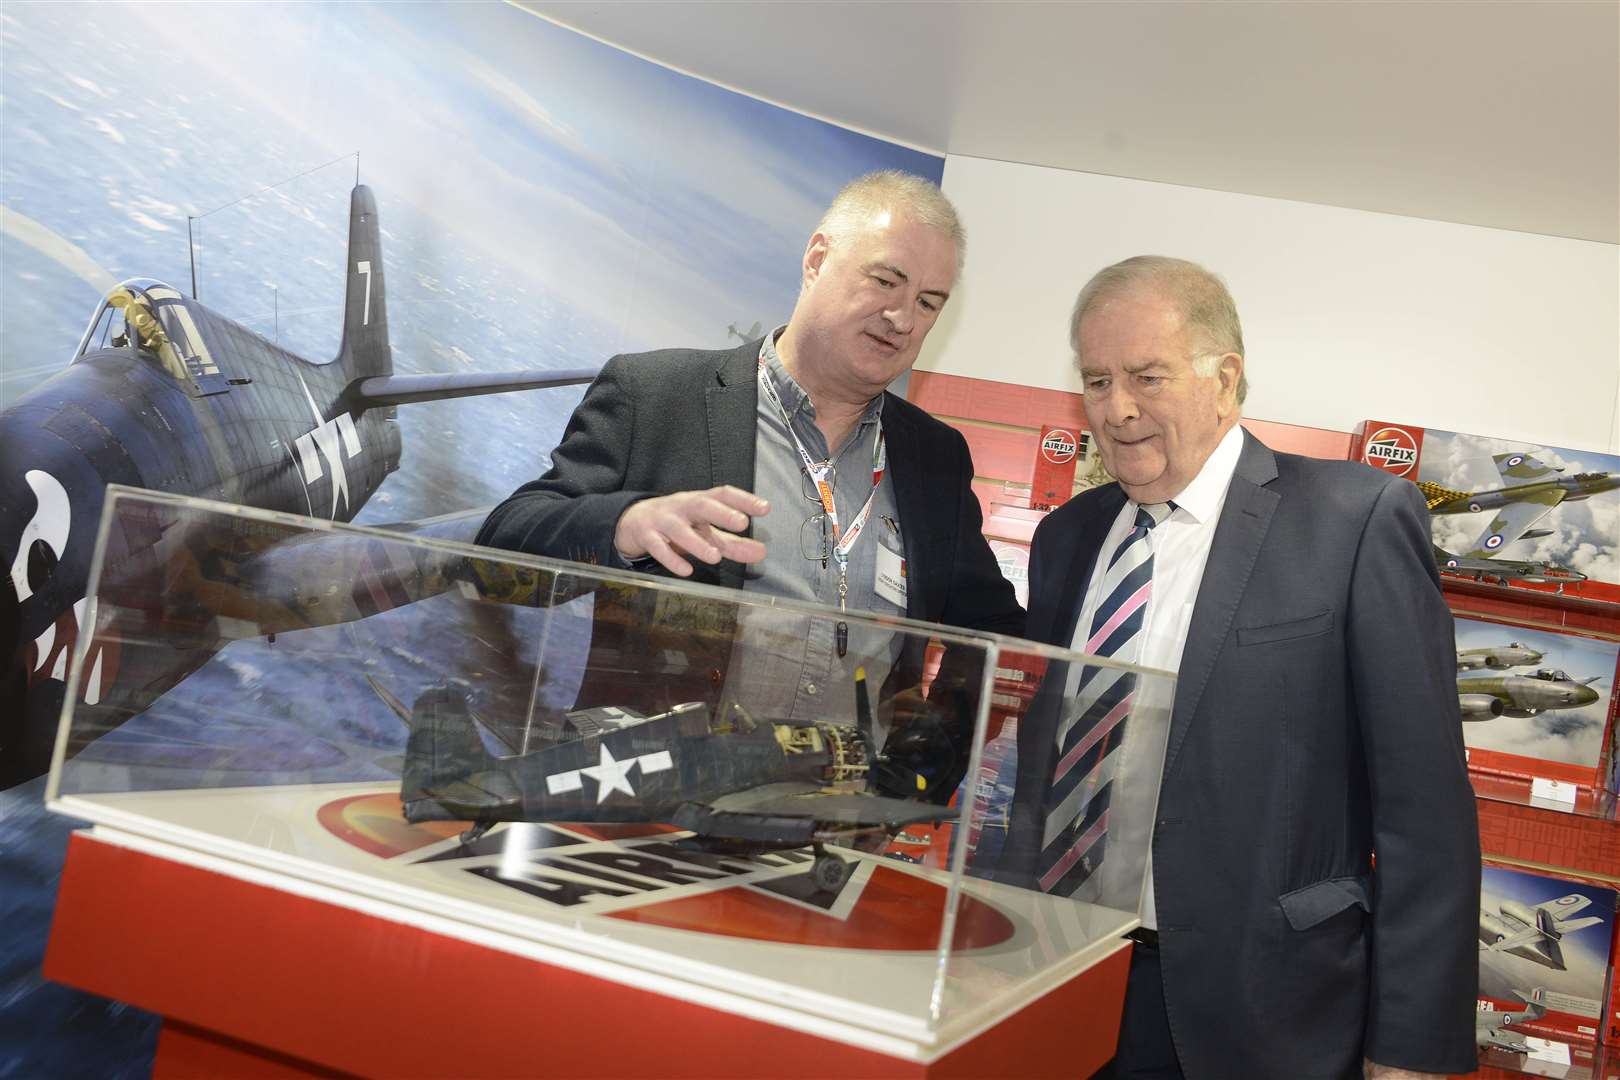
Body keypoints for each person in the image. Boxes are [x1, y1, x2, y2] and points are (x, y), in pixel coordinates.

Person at [1016, 256, 1478, 1078]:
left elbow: (1425, 814)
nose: (1117, 409)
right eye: (1095, 380)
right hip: (1059, 982)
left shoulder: (1354, 521)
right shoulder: (1068, 540)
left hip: (1268, 1013)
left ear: (1224, 378)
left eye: (1147, 376)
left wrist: (1410, 1049)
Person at [477, 171, 1023, 784]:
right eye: (886, 280)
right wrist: (626, 525)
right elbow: (499, 554)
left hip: (836, 833)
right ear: (818, 259)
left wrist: (923, 770)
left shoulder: (935, 458)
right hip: (649, 812)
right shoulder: (656, 396)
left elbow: (994, 636)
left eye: (928, 302)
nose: (902, 317)